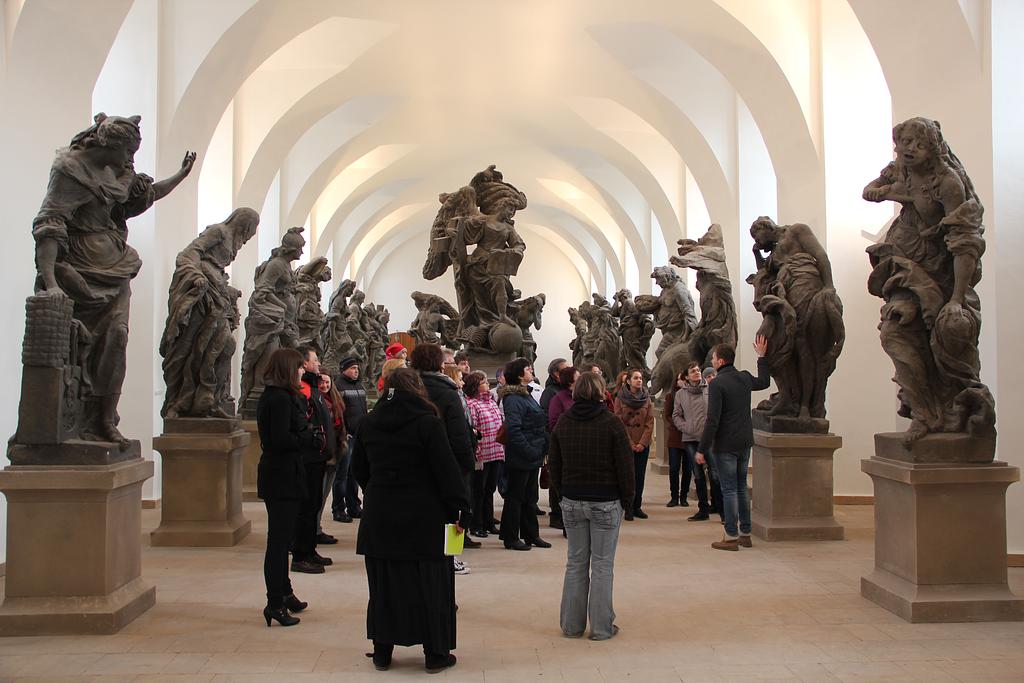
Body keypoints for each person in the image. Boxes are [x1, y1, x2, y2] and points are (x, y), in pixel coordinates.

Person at [352, 368, 471, 673]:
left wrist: (379, 491)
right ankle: (435, 654)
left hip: (380, 514)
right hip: (425, 516)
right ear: (418, 389)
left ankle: (382, 651)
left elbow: (359, 470)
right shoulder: (428, 423)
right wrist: (460, 507)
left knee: (384, 586)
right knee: (431, 586)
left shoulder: (368, 422)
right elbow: (446, 471)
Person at [549, 371, 634, 641]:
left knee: (575, 563)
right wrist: (628, 500)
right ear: (600, 392)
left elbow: (555, 464)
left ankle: (571, 626)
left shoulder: (564, 422)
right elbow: (625, 466)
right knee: (602, 566)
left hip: (572, 500)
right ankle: (601, 627)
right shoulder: (611, 423)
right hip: (605, 501)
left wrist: (563, 494)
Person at [256, 348, 317, 627]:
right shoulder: (279, 398)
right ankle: (275, 603)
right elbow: (280, 440)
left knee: (283, 538)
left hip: (284, 472)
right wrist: (307, 437)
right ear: (288, 369)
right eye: (299, 367)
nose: (302, 370)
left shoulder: (279, 395)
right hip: (281, 474)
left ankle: (285, 592)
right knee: (279, 543)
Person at [696, 338, 770, 550]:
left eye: (713, 358)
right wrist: (761, 357)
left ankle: (730, 536)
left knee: (729, 489)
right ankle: (745, 533)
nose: (712, 361)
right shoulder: (744, 377)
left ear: (720, 361)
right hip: (744, 440)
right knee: (741, 488)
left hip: (726, 443)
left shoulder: (717, 384)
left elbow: (713, 420)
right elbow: (764, 381)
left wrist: (702, 448)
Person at [412, 344, 479, 561]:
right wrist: (467, 462)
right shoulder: (448, 392)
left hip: (418, 462)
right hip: (449, 461)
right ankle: (451, 558)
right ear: (439, 364)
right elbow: (459, 433)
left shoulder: (410, 388)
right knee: (453, 512)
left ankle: (427, 556)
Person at [499, 358, 550, 550]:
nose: (531, 371)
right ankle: (511, 537)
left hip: (532, 453)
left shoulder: (525, 394)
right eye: (528, 369)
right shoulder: (513, 398)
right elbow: (514, 430)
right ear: (520, 375)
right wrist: (530, 451)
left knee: (529, 498)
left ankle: (531, 535)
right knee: (515, 498)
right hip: (522, 455)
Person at [292, 346, 334, 575]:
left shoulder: (314, 387)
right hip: (309, 457)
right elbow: (304, 423)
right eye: (315, 360)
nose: (318, 363)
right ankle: (301, 554)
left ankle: (310, 549)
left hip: (318, 457)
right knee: (306, 508)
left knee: (314, 506)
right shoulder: (303, 389)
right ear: (304, 363)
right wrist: (316, 440)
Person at [464, 371, 504, 538]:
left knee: (490, 489)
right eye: (484, 382)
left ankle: (488, 522)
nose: (488, 384)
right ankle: (476, 524)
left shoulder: (492, 401)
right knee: (478, 491)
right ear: (475, 386)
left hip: (496, 451)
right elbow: (473, 429)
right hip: (482, 453)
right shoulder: (471, 404)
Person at [613, 369, 654, 521]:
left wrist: (642, 443)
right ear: (628, 381)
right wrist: (629, 443)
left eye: (640, 378)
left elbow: (650, 422)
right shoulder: (620, 398)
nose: (639, 380)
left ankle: (637, 506)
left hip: (642, 443)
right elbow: (619, 422)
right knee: (627, 476)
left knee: (640, 475)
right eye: (636, 378)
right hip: (626, 443)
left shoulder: (646, 399)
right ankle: (627, 506)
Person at [334, 357, 367, 522]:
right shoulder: (338, 386)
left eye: (357, 368)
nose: (356, 371)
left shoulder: (359, 385)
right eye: (353, 368)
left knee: (354, 474)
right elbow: (337, 410)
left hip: (359, 435)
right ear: (344, 369)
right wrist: (343, 431)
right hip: (347, 436)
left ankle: (354, 506)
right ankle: (338, 508)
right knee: (342, 475)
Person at [316, 374, 345, 545]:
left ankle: (317, 528)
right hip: (322, 452)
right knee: (317, 495)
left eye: (327, 382)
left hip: (334, 450)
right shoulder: (315, 400)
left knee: (324, 493)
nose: (324, 385)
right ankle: (313, 529)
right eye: (321, 382)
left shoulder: (335, 399)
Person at [540, 357, 569, 529]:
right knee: (555, 478)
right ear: (556, 374)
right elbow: (546, 419)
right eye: (565, 369)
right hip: (555, 441)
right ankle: (556, 514)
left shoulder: (566, 391)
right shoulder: (550, 393)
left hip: (567, 441)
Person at [664, 369, 690, 508]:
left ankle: (684, 496)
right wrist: (679, 424)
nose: (682, 381)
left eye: (684, 379)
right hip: (675, 436)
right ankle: (674, 496)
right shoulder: (671, 396)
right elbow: (667, 415)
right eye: (680, 379)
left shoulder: (691, 395)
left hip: (689, 436)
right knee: (674, 468)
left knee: (687, 469)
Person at [547, 366, 579, 431]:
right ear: (570, 382)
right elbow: (554, 423)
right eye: (578, 378)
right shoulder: (558, 399)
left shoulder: (581, 395)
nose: (582, 380)